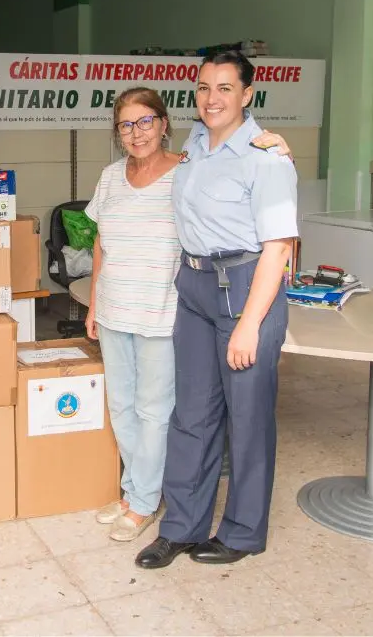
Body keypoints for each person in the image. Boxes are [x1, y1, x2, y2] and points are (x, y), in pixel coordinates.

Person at [85, 87, 293, 543]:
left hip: (162, 310)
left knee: (154, 411)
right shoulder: (110, 177)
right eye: (126, 124)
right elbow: (101, 241)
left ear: (163, 124)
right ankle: (133, 490)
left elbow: (236, 172)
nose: (136, 133)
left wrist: (277, 149)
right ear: (117, 132)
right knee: (121, 407)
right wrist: (95, 303)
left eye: (145, 121)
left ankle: (144, 503)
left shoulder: (187, 170)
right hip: (116, 307)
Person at [135, 50, 298, 570]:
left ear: (247, 94)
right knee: (192, 414)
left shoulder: (266, 158)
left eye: (225, 88)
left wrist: (249, 325)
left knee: (247, 419)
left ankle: (244, 532)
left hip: (248, 286)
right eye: (204, 87)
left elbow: (279, 246)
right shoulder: (195, 145)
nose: (212, 98)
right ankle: (181, 528)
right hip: (197, 287)